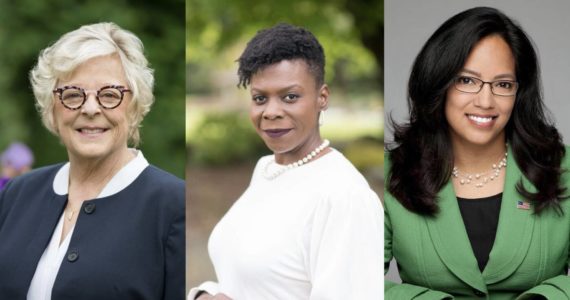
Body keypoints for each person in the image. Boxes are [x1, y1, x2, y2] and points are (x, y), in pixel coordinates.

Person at [384, 7, 570, 299]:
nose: (486, 101)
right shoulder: (389, 172)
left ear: (519, 92)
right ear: (439, 82)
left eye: (503, 84)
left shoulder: (564, 167)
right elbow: (355, 280)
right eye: (467, 80)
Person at [188, 23, 383, 300]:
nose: (271, 112)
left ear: (322, 97)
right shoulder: (268, 169)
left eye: (290, 97)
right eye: (259, 98)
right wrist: (206, 294)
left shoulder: (344, 197)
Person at [0, 22, 185, 300]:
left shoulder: (174, 205)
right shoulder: (18, 193)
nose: (89, 109)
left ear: (134, 107)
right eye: (73, 94)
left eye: (110, 95)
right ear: (52, 108)